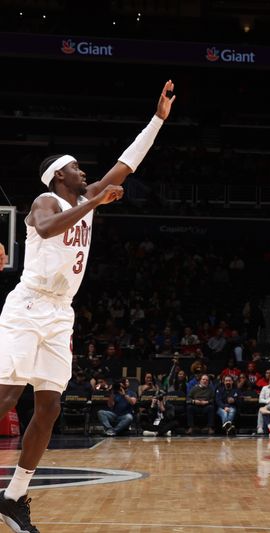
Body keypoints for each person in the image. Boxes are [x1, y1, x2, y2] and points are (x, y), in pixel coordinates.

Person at [0, 81, 174, 532]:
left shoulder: (87, 196)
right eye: (76, 168)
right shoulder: (47, 200)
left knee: (50, 406)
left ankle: (14, 496)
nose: (84, 172)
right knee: (5, 397)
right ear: (60, 175)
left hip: (61, 312)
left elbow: (127, 164)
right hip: (28, 305)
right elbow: (49, 227)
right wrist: (94, 200)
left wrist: (158, 119)